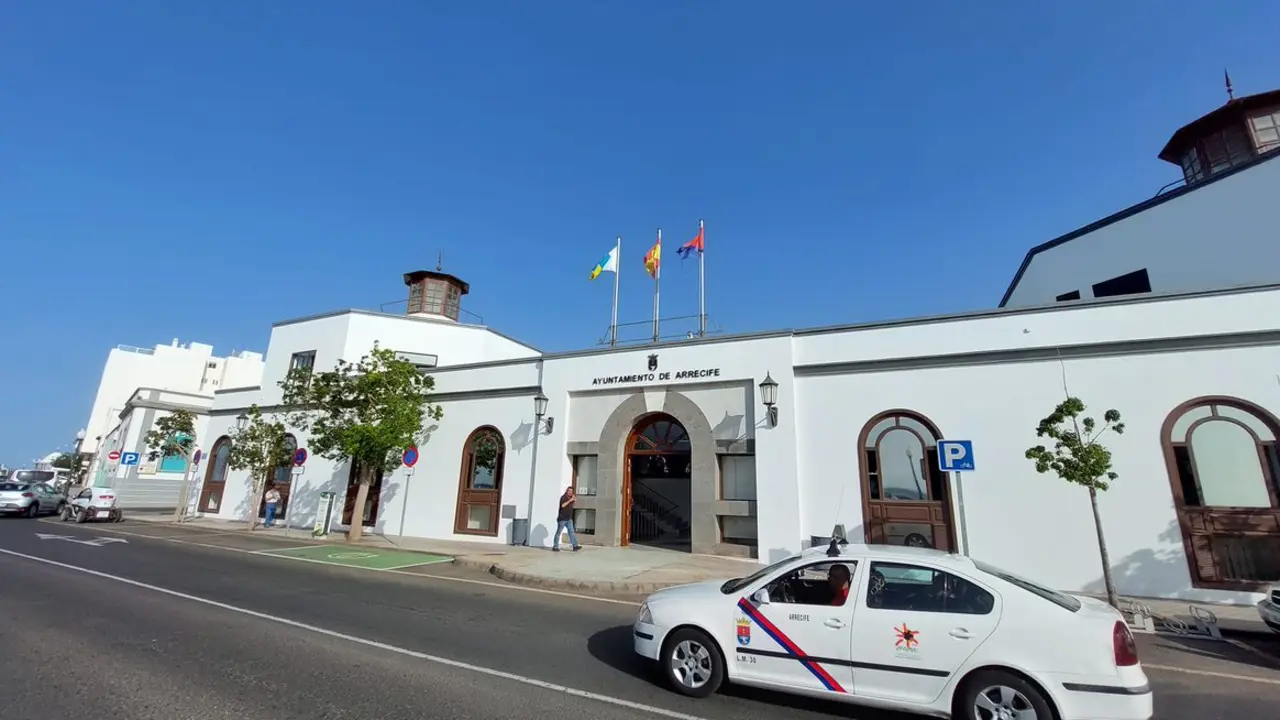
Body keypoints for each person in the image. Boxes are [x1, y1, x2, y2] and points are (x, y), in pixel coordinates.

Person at [552, 485, 581, 552]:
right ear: (566, 491)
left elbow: (572, 506)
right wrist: (570, 500)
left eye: (571, 491)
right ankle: (555, 546)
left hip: (569, 519)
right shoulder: (563, 497)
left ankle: (575, 546)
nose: (570, 492)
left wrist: (574, 501)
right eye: (569, 491)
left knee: (571, 532)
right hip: (562, 519)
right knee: (558, 532)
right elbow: (563, 505)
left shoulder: (570, 498)